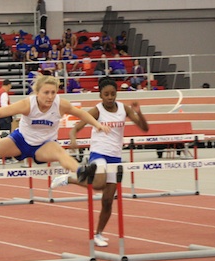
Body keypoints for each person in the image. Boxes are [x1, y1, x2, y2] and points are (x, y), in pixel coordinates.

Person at [50, 77, 148, 247]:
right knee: (99, 184)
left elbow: (144, 128)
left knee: (108, 200)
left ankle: (98, 234)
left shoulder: (124, 109)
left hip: (115, 156)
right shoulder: (97, 111)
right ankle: (70, 178)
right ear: (101, 95)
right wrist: (73, 139)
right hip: (99, 153)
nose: (110, 97)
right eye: (106, 94)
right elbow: (76, 128)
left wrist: (138, 112)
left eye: (113, 94)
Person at [0, 75, 110, 179]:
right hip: (21, 141)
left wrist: (98, 125)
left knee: (59, 152)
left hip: (44, 145)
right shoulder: (27, 104)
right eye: (46, 92)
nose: (50, 96)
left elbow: (81, 114)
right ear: (37, 92)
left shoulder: (61, 104)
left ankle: (81, 171)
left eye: (53, 92)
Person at [0, 79, 18, 164]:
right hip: (4, 118)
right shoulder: (3, 93)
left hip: (1, 118)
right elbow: (4, 106)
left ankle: (4, 157)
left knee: (4, 137)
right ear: (9, 85)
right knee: (6, 138)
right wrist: (13, 112)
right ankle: (5, 158)